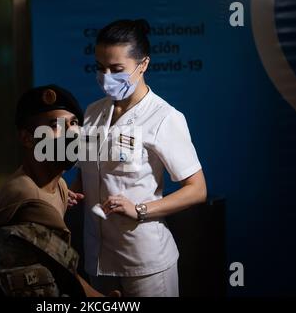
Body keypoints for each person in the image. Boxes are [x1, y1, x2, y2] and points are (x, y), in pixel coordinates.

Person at [69, 19, 207, 297]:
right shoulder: (93, 112)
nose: (106, 77)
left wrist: (140, 209)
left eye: (117, 70)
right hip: (97, 257)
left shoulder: (164, 117)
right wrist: (72, 192)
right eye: (100, 68)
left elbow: (197, 190)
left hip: (144, 261)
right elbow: (88, 170)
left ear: (143, 65)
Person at [0, 85, 114, 297]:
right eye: (55, 126)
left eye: (73, 123)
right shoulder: (26, 195)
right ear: (28, 139)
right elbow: (62, 269)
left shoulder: (59, 185)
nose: (70, 134)